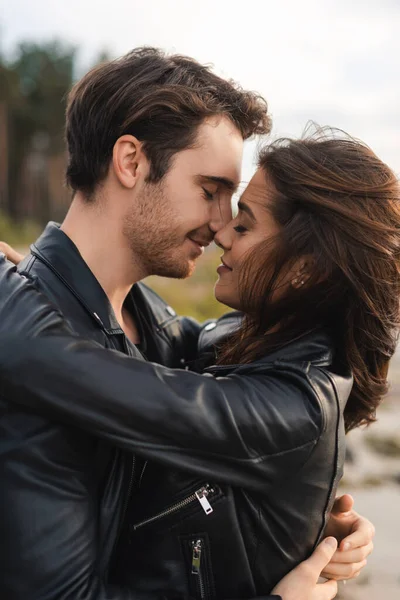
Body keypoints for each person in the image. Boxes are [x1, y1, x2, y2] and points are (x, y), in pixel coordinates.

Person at [2, 128, 393, 597]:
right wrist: (46, 275)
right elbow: (162, 332)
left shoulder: (295, 406)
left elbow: (52, 363)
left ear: (306, 270)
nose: (221, 232)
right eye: (209, 193)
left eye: (244, 225)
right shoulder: (250, 337)